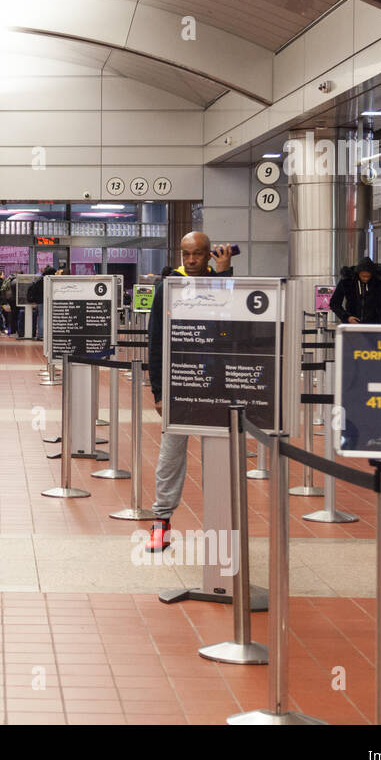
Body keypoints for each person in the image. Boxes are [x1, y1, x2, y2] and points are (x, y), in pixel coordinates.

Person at [143, 233, 234, 552]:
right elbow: (156, 340)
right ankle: (162, 521)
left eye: (197, 255)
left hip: (217, 385)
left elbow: (232, 322)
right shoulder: (168, 286)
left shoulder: (221, 280)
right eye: (186, 255)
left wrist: (225, 275)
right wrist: (158, 390)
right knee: (170, 454)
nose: (191, 261)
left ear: (210, 255)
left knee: (219, 456)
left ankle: (220, 525)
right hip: (179, 383)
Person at [329, 257, 381, 325]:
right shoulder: (348, 281)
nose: (366, 279)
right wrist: (347, 317)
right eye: (363, 276)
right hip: (354, 326)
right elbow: (334, 303)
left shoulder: (380, 280)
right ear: (358, 273)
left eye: (368, 276)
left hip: (377, 326)